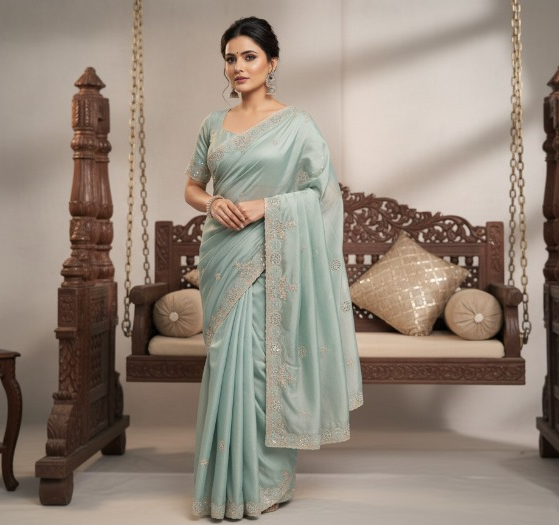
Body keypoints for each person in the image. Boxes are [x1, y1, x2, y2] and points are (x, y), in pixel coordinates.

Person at [184, 16, 363, 520]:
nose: (238, 67)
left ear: (271, 62)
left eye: (249, 57)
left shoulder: (298, 124)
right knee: (227, 365)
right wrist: (212, 202)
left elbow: (323, 194)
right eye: (231, 58)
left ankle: (264, 485)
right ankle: (225, 486)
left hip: (272, 257)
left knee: (264, 368)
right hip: (222, 257)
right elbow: (192, 187)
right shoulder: (212, 124)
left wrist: (270, 207)